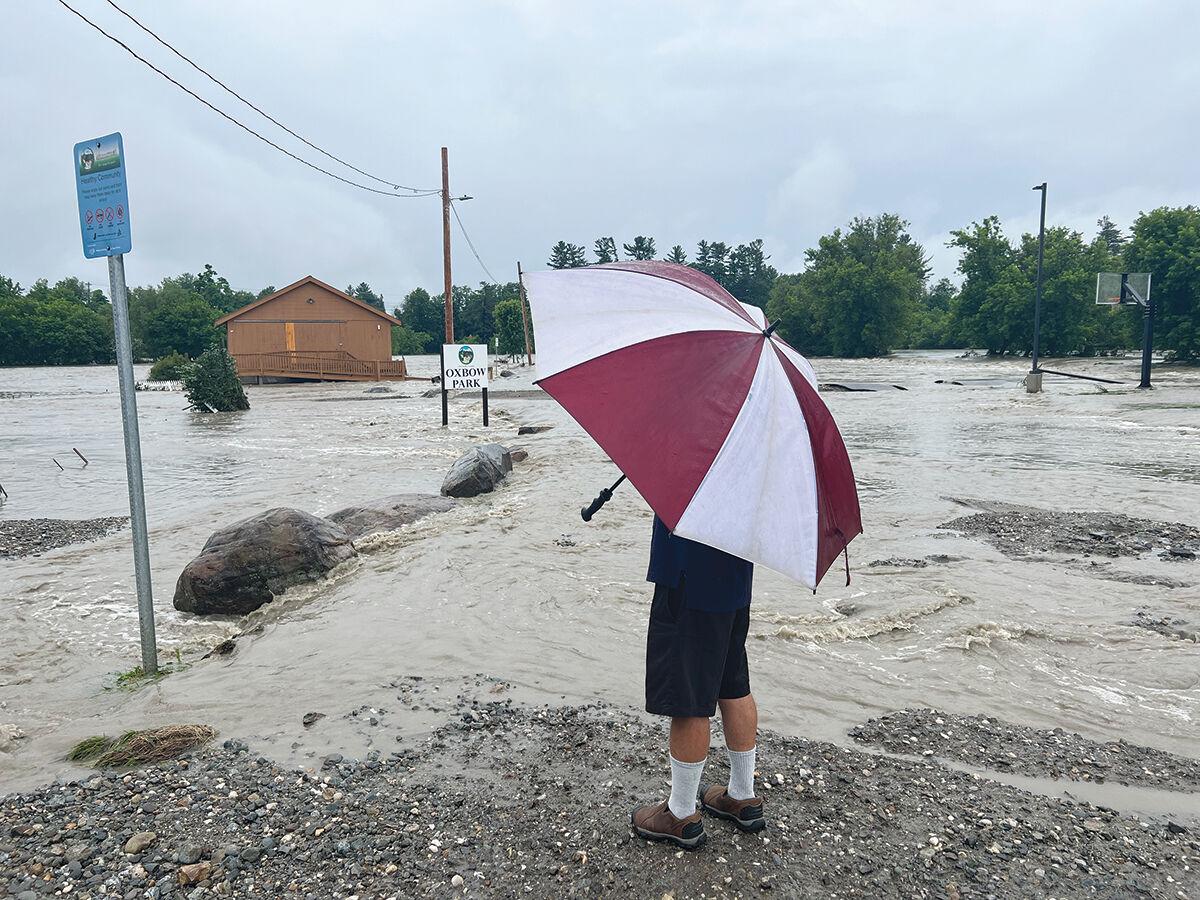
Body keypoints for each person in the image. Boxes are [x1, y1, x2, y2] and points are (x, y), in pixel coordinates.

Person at [630, 515, 764, 850]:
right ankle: (743, 796)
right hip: (735, 571)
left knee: (687, 695)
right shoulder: (754, 462)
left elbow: (670, 480)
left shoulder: (696, 462)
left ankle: (680, 813)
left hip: (689, 573)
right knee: (734, 683)